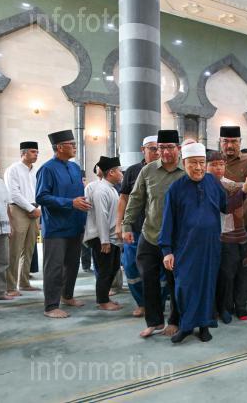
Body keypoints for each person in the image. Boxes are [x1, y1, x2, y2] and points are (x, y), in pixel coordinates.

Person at [160, 143, 226, 343]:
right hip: (185, 247)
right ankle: (186, 326)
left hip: (210, 246)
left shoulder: (213, 182)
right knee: (184, 286)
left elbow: (225, 205)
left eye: (202, 163)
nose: (198, 167)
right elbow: (167, 221)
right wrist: (167, 250)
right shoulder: (175, 188)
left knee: (207, 286)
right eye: (193, 163)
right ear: (184, 163)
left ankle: (204, 326)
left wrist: (245, 190)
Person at [122, 130, 185, 338]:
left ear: (178, 148)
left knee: (175, 282)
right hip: (149, 235)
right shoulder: (148, 171)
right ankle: (155, 321)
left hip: (176, 240)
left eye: (170, 147)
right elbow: (136, 199)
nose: (165, 152)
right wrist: (126, 225)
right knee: (148, 278)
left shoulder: (186, 172)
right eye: (161, 147)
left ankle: (175, 320)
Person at [36, 130, 89, 318]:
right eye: (71, 144)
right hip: (56, 227)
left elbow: (78, 194)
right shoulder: (47, 169)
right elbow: (41, 197)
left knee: (72, 264)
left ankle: (67, 296)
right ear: (59, 147)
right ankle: (51, 306)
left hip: (75, 224)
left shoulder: (74, 167)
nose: (75, 147)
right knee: (54, 267)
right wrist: (70, 203)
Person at [116, 135, 160, 318]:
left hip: (158, 230)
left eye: (159, 148)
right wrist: (119, 224)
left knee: (160, 269)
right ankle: (142, 303)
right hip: (135, 229)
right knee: (131, 266)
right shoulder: (132, 171)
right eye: (152, 148)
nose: (157, 152)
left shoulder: (166, 170)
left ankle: (156, 303)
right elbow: (124, 198)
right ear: (143, 150)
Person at [206, 149, 247, 323]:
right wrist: (245, 189)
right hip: (221, 236)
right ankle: (225, 308)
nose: (218, 168)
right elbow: (226, 207)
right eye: (213, 165)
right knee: (227, 273)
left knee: (243, 270)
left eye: (221, 164)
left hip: (238, 232)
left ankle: (241, 306)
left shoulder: (228, 183)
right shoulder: (205, 185)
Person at [84, 156, 123, 311]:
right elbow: (101, 216)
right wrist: (104, 240)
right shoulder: (101, 190)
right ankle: (102, 301)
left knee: (113, 268)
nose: (121, 174)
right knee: (105, 270)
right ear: (111, 172)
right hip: (101, 238)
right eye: (120, 171)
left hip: (111, 237)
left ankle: (105, 297)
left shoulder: (111, 189)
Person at [4, 141, 41, 295]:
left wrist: (38, 209)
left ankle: (24, 283)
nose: (36, 154)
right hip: (18, 210)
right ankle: (10, 286)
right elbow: (13, 194)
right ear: (23, 153)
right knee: (15, 249)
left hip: (34, 210)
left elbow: (40, 192)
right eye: (33, 151)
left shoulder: (36, 171)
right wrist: (31, 208)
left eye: (37, 152)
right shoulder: (13, 169)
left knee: (29, 249)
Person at [0, 156, 14, 300]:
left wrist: (10, 224)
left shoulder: (0, 182)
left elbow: (6, 205)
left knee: (2, 261)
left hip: (2, 227)